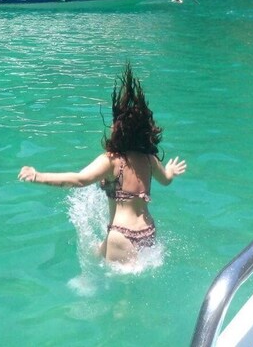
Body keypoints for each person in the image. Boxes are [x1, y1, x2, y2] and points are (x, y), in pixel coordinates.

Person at [18, 63, 187, 264]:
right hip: (148, 231)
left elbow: (79, 180)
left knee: (121, 292)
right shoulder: (150, 160)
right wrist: (170, 171)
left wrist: (38, 176)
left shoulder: (113, 160)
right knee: (100, 256)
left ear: (118, 129)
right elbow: (166, 180)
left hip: (122, 234)